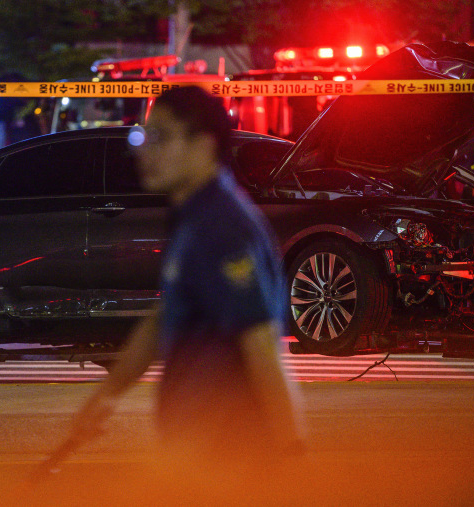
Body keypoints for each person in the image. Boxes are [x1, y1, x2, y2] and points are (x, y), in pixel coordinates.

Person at [60, 85, 304, 483]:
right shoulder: (191, 216)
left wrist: (293, 455)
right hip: (194, 448)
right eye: (142, 136)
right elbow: (164, 317)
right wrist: (107, 396)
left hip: (228, 457)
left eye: (159, 137)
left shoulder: (223, 228)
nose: (143, 150)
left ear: (204, 146)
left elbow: (262, 346)